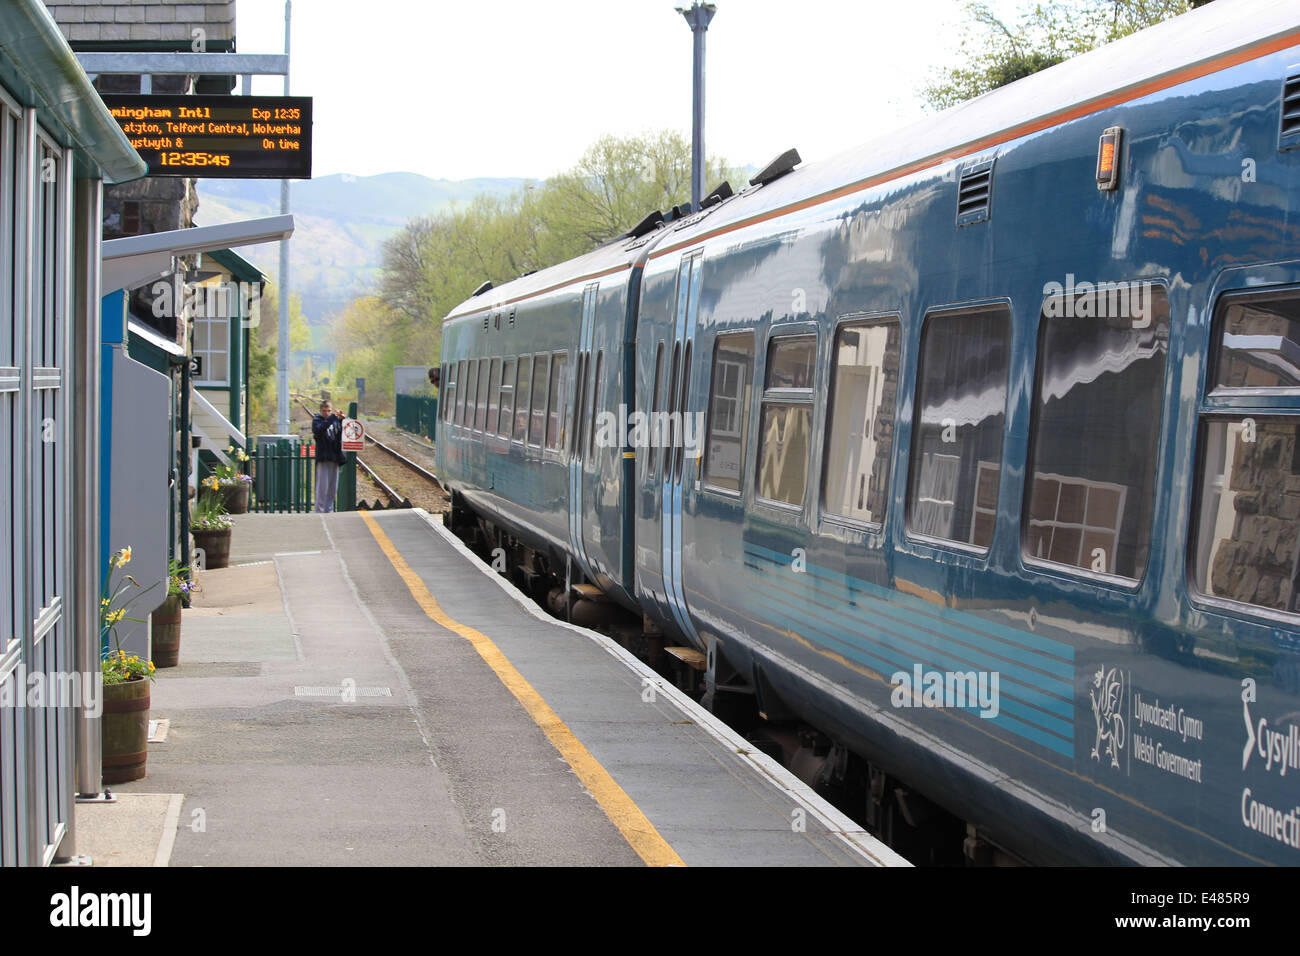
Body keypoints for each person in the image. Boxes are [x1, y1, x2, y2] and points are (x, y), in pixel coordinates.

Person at [312, 400, 346, 513]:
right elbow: (319, 430)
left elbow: (340, 434)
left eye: (329, 411)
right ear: (320, 411)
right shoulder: (317, 420)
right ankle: (319, 509)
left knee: (332, 487)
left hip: (334, 456)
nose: (327, 413)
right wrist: (331, 418)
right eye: (324, 411)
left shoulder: (335, 421)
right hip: (323, 456)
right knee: (323, 485)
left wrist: (341, 420)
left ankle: (328, 509)